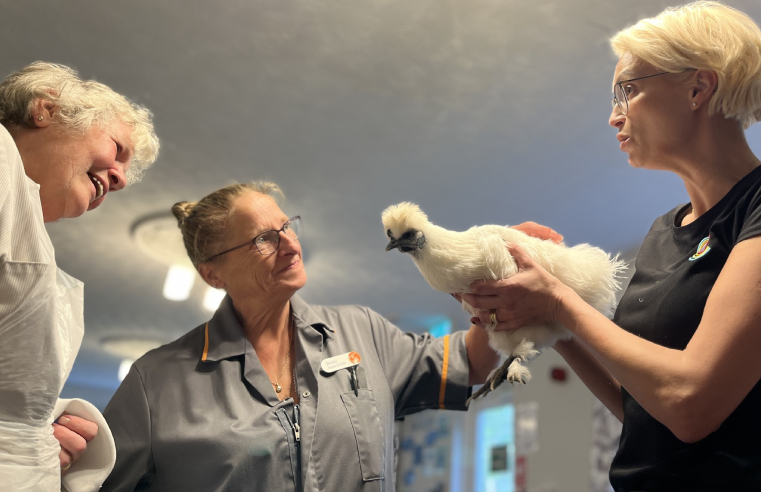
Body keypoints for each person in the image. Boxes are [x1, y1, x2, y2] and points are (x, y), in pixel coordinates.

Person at [462, 2, 761, 490]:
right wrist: (545, 313)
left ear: (697, 87)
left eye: (628, 90)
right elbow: (644, 406)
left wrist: (559, 300)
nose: (612, 117)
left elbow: (691, 404)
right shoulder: (664, 232)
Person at [100, 181, 561, 491]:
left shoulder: (361, 332)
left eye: (286, 226)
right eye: (262, 238)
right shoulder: (155, 383)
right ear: (212, 273)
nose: (290, 244)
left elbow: (469, 365)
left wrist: (493, 279)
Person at [0, 61, 159, 491]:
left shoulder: (27, 231)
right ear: (45, 111)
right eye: (118, 150)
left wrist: (39, 433)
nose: (122, 179)